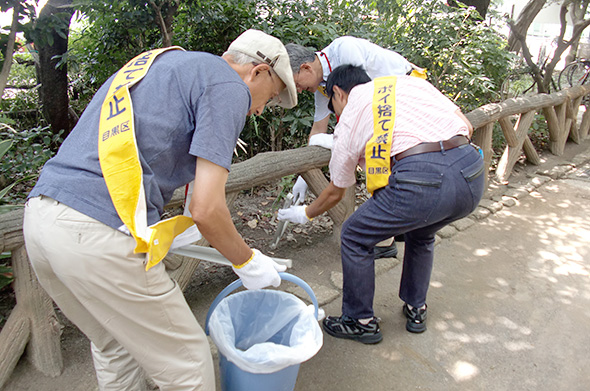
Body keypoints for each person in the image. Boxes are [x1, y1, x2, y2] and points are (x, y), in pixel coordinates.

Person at [23, 29, 297, 390]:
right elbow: (206, 207)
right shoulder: (228, 86)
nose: (261, 108)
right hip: (96, 235)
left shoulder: (162, 62)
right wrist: (247, 262)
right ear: (258, 71)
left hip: (41, 220)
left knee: (115, 345)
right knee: (187, 363)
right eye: (271, 96)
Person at [278, 64, 484, 344]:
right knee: (422, 233)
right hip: (471, 174)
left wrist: (305, 213)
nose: (336, 114)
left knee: (353, 235)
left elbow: (337, 190)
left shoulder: (351, 112)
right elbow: (467, 126)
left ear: (338, 93)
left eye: (333, 106)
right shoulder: (410, 84)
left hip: (420, 179)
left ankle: (360, 320)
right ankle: (416, 307)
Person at [286, 36, 424, 258]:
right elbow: (318, 131)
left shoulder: (344, 50)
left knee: (385, 159)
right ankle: (398, 229)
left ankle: (387, 237)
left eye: (295, 83)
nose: (298, 90)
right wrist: (303, 178)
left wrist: (340, 141)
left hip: (405, 93)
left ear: (305, 68)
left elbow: (363, 106)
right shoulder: (322, 88)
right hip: (385, 110)